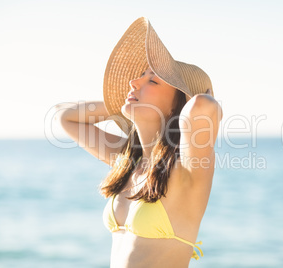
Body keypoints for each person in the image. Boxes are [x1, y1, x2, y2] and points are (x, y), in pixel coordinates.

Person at [55, 17, 222, 268]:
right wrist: (122, 104)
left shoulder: (187, 169)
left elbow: (204, 106)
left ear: (179, 104)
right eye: (140, 77)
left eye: (152, 80)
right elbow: (67, 118)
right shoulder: (126, 160)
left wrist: (184, 103)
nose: (133, 82)